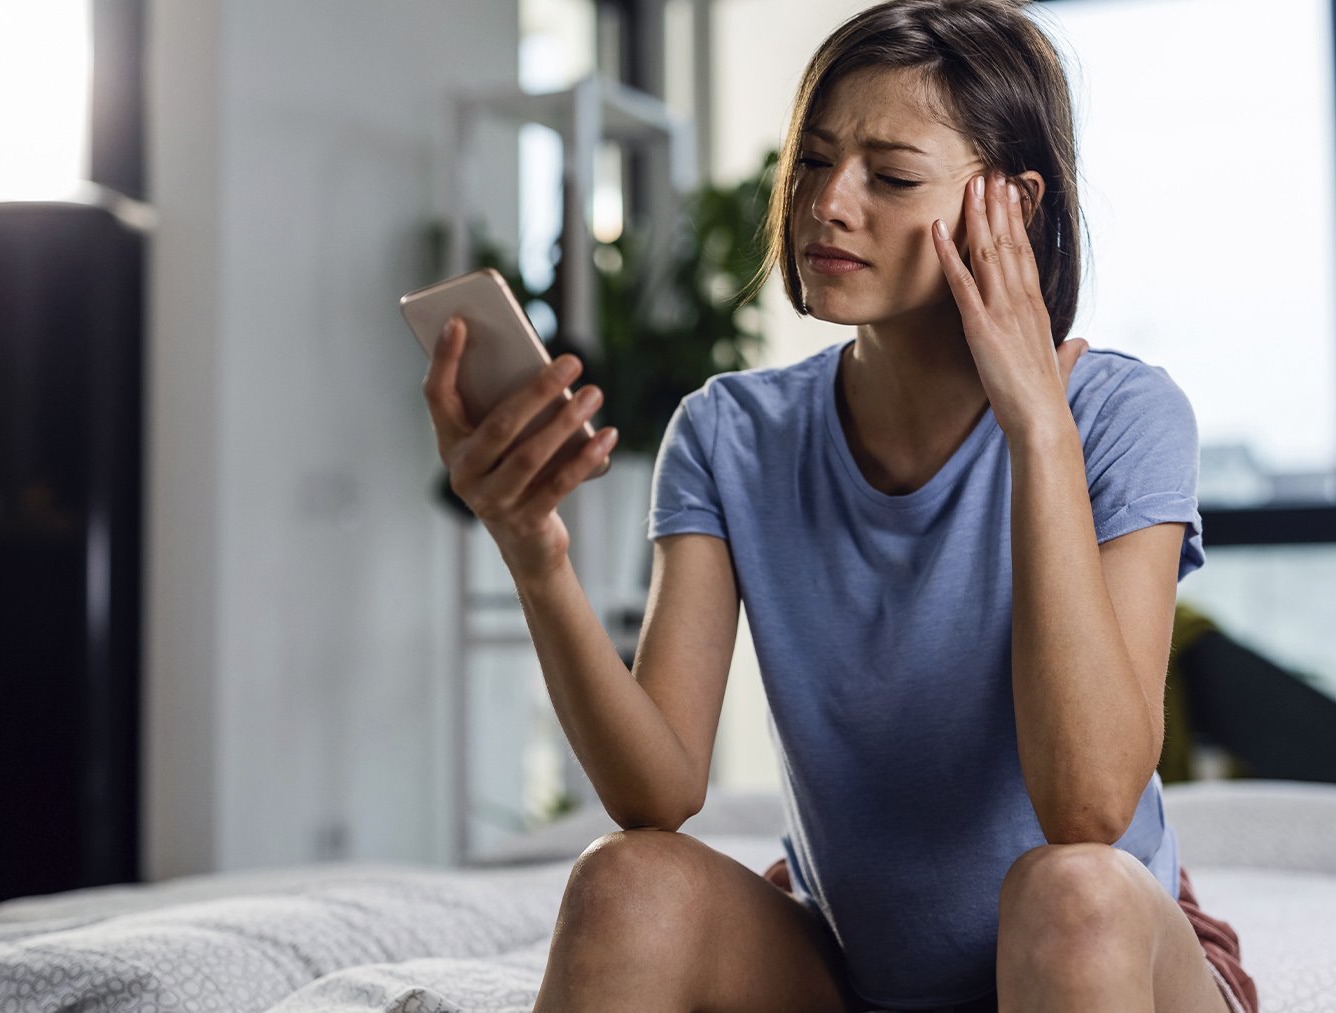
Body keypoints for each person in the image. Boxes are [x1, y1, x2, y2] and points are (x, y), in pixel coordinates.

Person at [421, 1, 1260, 1009]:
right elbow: (659, 790)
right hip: (858, 974)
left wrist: (1039, 428)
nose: (829, 203)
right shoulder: (731, 432)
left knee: (1071, 886)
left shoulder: (1123, 413)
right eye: (814, 162)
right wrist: (535, 553)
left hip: (1100, 952)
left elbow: (1086, 804)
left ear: (1016, 204)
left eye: (892, 176)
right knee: (624, 876)